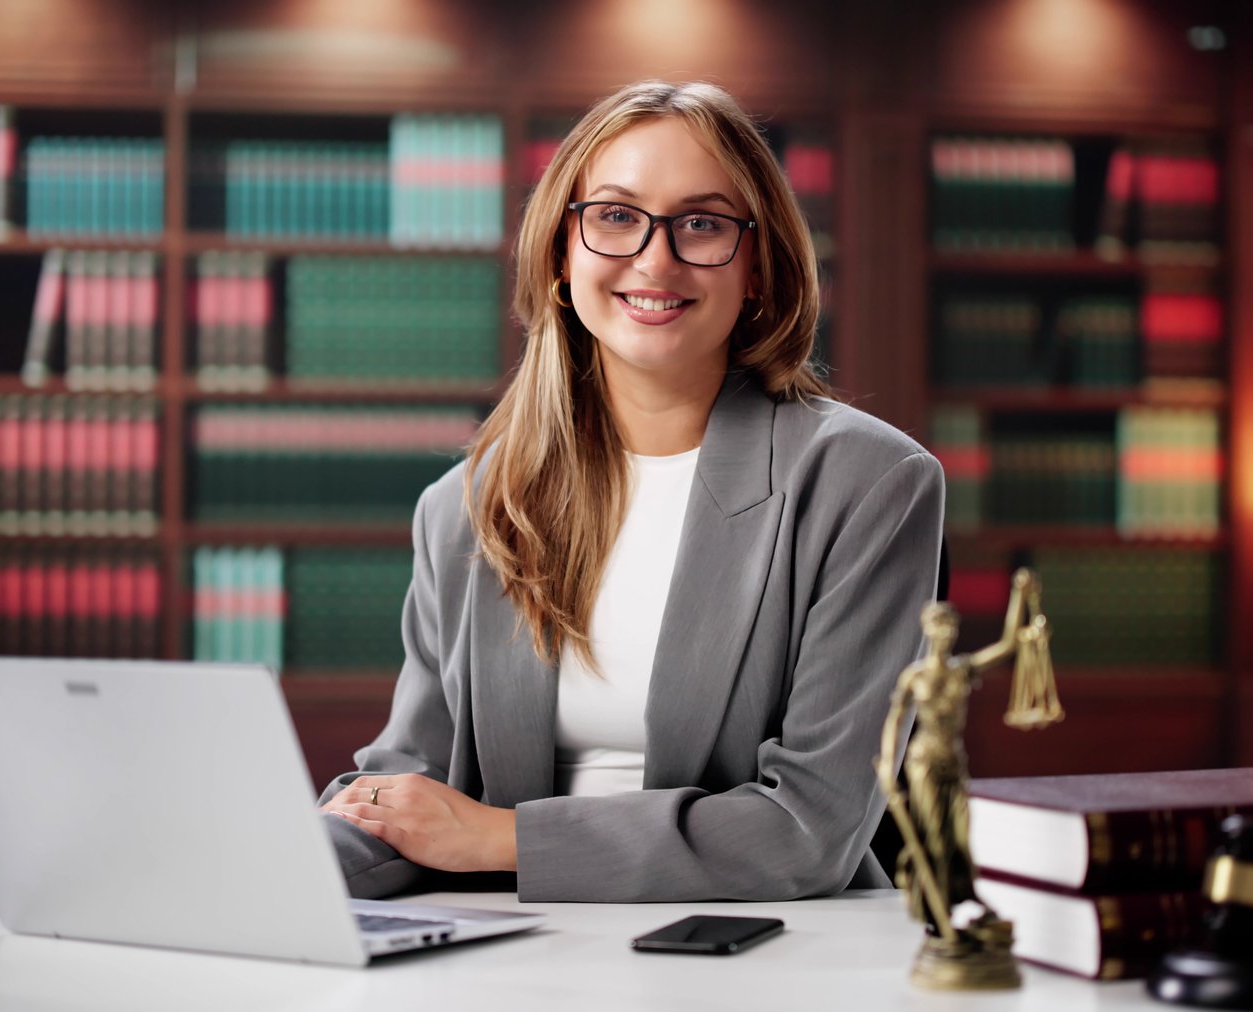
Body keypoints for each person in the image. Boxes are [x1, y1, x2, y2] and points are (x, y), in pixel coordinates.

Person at [318, 80, 944, 903]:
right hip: (509, 943)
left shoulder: (867, 485)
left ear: (757, 268)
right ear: (560, 255)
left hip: (764, 941)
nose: (655, 260)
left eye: (703, 224)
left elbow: (808, 829)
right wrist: (274, 863)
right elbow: (410, 785)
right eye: (615, 216)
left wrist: (498, 839)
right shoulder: (467, 504)